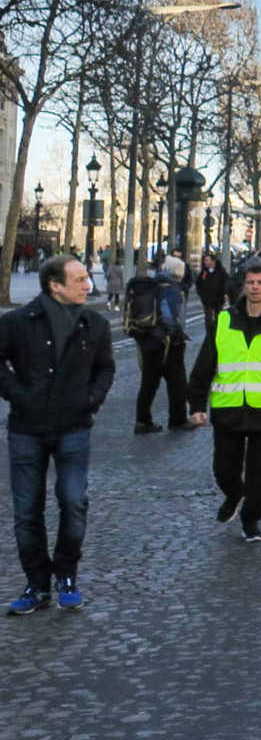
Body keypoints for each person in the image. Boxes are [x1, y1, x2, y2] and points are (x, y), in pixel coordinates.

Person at [0, 257, 114, 613]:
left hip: (74, 427)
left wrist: (91, 399)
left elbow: (105, 368)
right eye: (79, 279)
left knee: (74, 500)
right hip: (26, 429)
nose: (88, 285)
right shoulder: (17, 323)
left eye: (86, 279)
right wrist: (20, 395)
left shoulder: (94, 323)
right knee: (26, 511)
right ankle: (36, 585)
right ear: (55, 285)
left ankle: (67, 575)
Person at [186, 263, 261, 543]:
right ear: (243, 286)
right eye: (251, 282)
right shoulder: (223, 321)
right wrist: (197, 404)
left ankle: (251, 521)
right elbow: (205, 363)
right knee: (224, 470)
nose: (256, 288)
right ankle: (234, 494)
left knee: (260, 476)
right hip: (228, 407)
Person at [133, 256, 191, 434]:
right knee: (177, 382)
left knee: (149, 382)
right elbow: (169, 315)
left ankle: (142, 421)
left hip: (148, 340)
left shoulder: (152, 285)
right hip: (167, 342)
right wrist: (175, 334)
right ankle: (178, 419)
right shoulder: (172, 289)